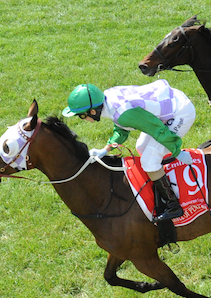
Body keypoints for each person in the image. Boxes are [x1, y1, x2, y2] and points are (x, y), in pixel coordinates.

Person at [62, 81, 194, 222]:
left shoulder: (123, 113)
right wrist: (106, 150)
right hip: (171, 101)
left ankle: (173, 205)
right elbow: (121, 129)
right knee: (142, 147)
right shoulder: (108, 99)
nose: (83, 119)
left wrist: (177, 152)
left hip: (180, 112)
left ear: (93, 112)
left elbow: (157, 129)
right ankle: (162, 178)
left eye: (81, 116)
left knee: (149, 161)